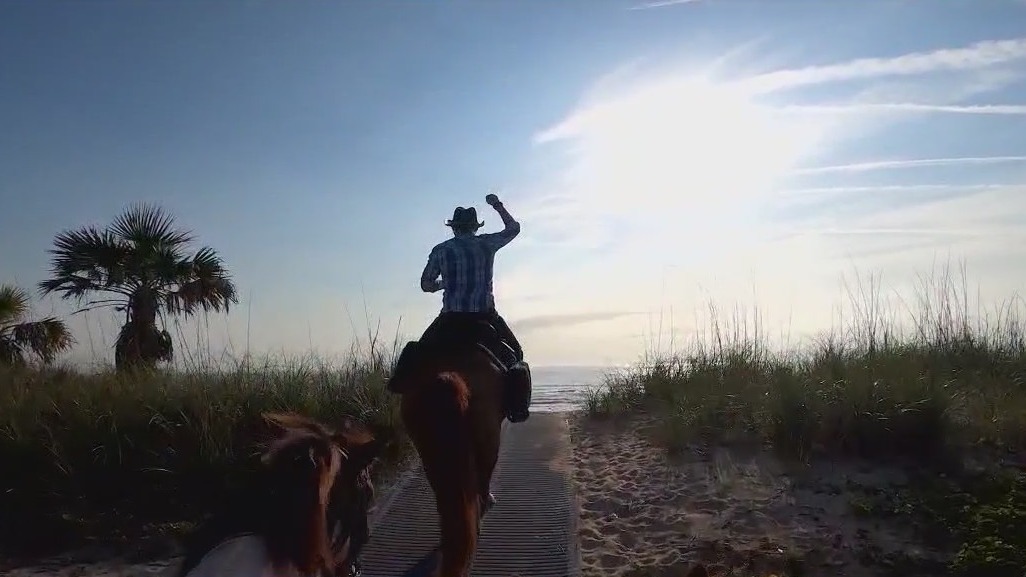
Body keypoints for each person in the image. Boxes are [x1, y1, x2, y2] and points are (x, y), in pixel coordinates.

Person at [416, 193, 531, 423]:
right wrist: (497, 206)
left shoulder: (441, 249)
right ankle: (516, 408)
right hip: (484, 316)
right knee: (516, 355)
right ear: (475, 227)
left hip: (450, 318)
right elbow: (514, 228)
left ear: (454, 228)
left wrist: (444, 284)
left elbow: (426, 285)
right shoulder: (487, 243)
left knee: (417, 355)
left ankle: (405, 401)